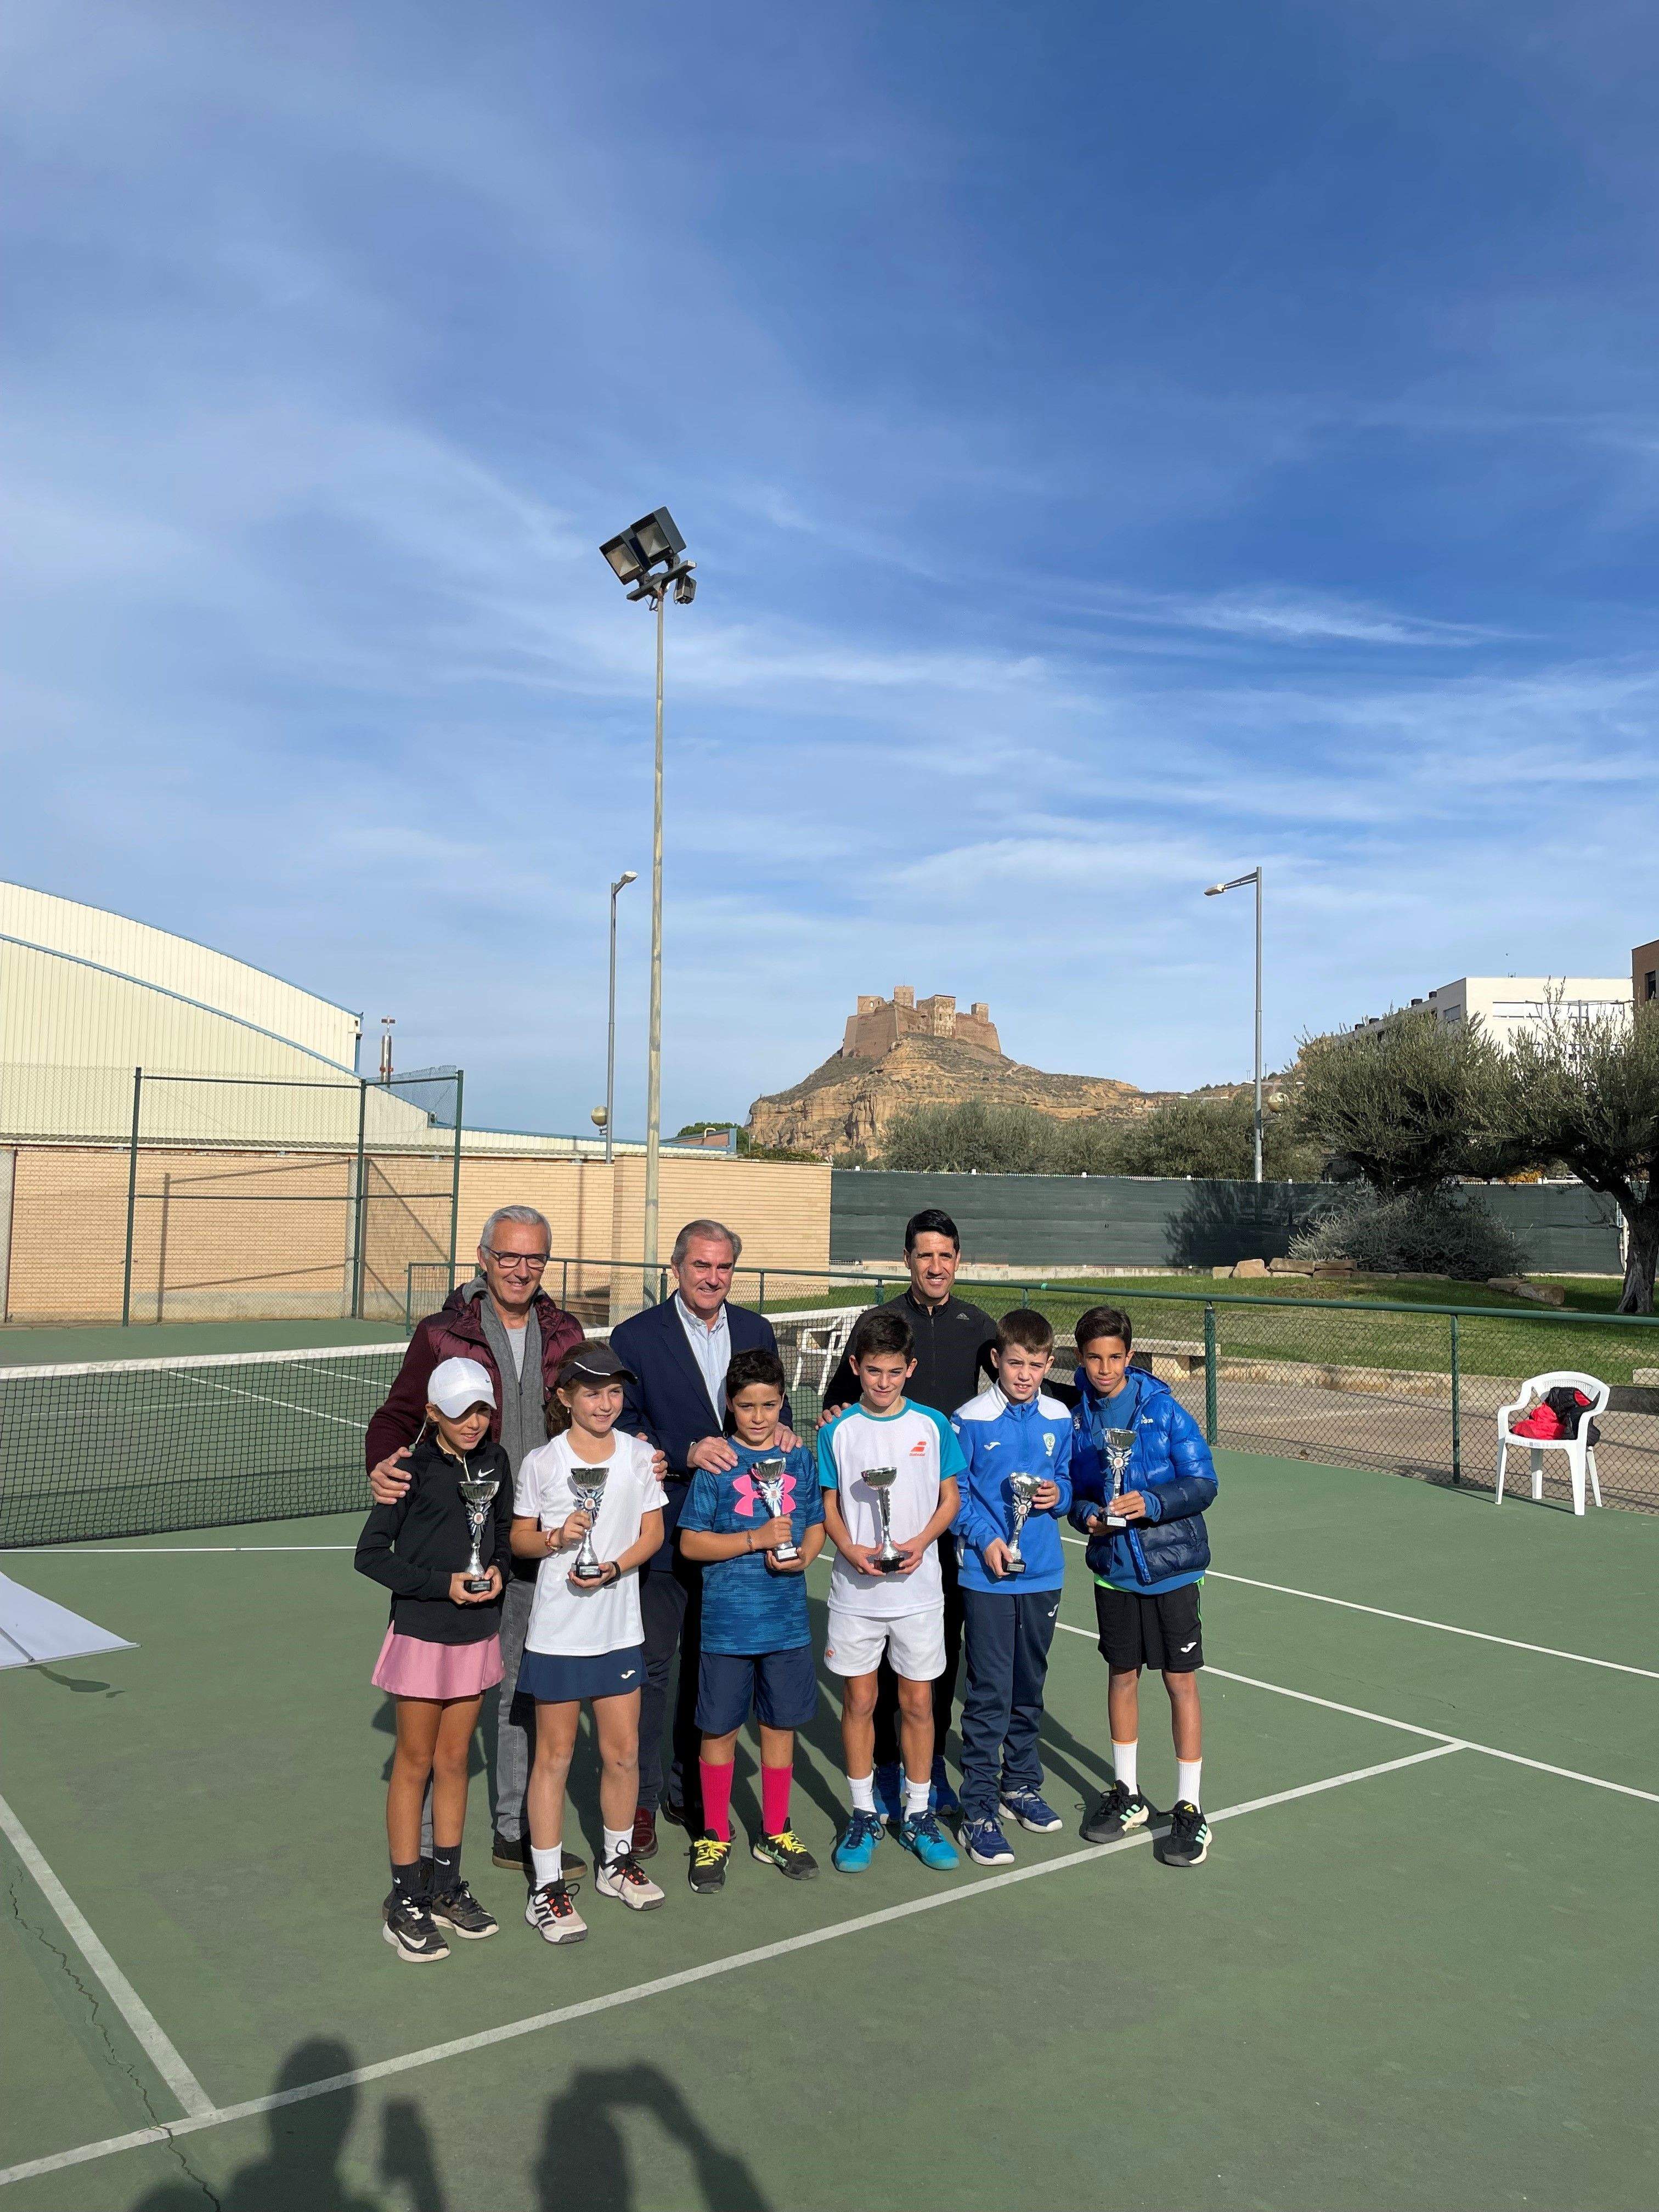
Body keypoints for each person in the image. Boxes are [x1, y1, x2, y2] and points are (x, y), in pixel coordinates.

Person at [365, 1206, 588, 1883]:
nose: (522, 1269)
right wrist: (382, 1462)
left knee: (524, 1689)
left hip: (538, 1538)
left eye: (536, 1259)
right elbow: (399, 1414)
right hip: (465, 1547)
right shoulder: (442, 1335)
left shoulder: (564, 1332)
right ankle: (433, 1853)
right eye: (510, 1256)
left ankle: (513, 1831)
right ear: (484, 1258)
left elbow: (592, 1411)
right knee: (444, 1712)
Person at [610, 1220, 797, 1861]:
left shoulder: (754, 1329)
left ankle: (692, 1794)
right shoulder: (635, 1338)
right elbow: (623, 1425)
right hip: (668, 1532)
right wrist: (682, 1451)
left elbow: (777, 1409)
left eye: (722, 1267)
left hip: (742, 1547)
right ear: (676, 1268)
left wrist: (790, 1434)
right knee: (656, 1670)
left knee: (709, 1669)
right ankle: (639, 1801)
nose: (711, 1277)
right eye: (700, 1266)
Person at [821, 1209, 995, 1820]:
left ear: (958, 1260)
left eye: (946, 1255)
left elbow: (1020, 1383)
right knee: (875, 1675)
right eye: (926, 1255)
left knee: (939, 1645)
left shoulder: (978, 1325)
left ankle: (932, 1767)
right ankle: (887, 1765)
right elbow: (835, 1409)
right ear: (908, 1260)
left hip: (942, 1516)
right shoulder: (880, 1325)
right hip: (876, 1529)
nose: (937, 1266)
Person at [511, 1344, 669, 1942]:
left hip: (619, 1631)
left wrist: (613, 1567)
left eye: (613, 1392)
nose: (605, 1403)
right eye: (591, 1392)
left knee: (623, 1752)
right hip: (557, 1633)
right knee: (553, 1758)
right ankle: (547, 1888)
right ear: (565, 1397)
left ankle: (615, 1863)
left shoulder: (637, 1457)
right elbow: (521, 1539)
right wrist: (556, 1539)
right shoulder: (543, 1464)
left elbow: (653, 1531)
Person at [354, 1357, 510, 1963]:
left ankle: (446, 1884)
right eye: (459, 1410)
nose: (472, 1421)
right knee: (414, 1763)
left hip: (475, 1636)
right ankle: (404, 1899)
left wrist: (495, 1572)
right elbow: (370, 1555)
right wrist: (438, 1585)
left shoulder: (496, 1464)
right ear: (432, 1414)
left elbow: (497, 1536)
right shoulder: (408, 1471)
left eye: (481, 1409)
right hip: (422, 1635)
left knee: (454, 1762)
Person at [1067, 1305, 1217, 1868]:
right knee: (1122, 1676)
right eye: (1094, 1358)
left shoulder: (1165, 1411)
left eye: (1115, 1357)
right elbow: (1076, 1491)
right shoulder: (1080, 1417)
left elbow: (1204, 1483)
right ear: (1080, 1359)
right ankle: (1127, 1794)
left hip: (1172, 1567)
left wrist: (1152, 1503)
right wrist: (1087, 1517)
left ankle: (1189, 1808)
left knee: (1180, 1682)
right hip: (1115, 1569)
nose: (1105, 1368)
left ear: (1130, 1357)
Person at [818, 1307, 964, 1875]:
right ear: (855, 1367)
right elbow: (829, 1507)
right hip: (858, 1592)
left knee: (919, 1704)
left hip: (919, 1592)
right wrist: (850, 1549)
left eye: (894, 1372)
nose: (883, 1382)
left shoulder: (933, 1426)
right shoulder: (837, 1430)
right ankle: (862, 1814)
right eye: (873, 1371)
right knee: (859, 1702)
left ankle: (920, 1812)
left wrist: (922, 1542)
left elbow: (949, 1500)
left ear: (911, 1368)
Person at [678, 1347, 826, 1894]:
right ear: (730, 1407)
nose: (759, 1417)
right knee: (718, 1729)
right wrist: (754, 1540)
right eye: (746, 1407)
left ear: (783, 1402)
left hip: (785, 1624)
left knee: (779, 1727)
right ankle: (714, 1833)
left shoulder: (800, 1458)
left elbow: (814, 1523)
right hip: (727, 1626)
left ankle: (774, 1830)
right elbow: (690, 1542)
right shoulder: (717, 1465)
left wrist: (804, 1556)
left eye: (769, 1405)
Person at [949, 1309, 1073, 1866]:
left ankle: (1021, 1783)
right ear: (997, 1359)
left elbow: (1069, 1477)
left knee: (1030, 1684)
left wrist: (1060, 1497)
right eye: (1016, 1363)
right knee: (990, 1691)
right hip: (988, 1576)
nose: (1025, 1374)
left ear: (1049, 1364)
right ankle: (978, 1807)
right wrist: (985, 1542)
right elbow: (956, 1498)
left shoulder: (1059, 1416)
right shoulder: (969, 1419)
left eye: (1036, 1364)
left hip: (1044, 1572)